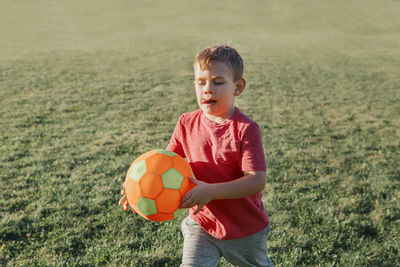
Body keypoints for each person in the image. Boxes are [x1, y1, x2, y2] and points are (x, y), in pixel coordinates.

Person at [120, 44, 273, 267]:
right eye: (200, 82)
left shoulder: (245, 129)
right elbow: (162, 165)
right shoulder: (186, 123)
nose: (207, 89)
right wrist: (136, 188)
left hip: (244, 229)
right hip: (201, 223)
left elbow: (256, 180)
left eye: (218, 82)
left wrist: (210, 191)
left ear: (238, 87)